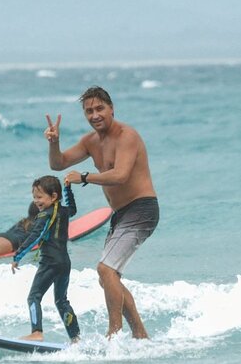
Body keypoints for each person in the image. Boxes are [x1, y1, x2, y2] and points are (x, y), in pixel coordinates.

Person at [44, 86, 159, 339]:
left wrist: (85, 176)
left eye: (99, 109)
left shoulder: (127, 136)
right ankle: (140, 335)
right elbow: (58, 163)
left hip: (142, 208)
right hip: (121, 214)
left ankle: (113, 335)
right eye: (89, 111)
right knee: (109, 277)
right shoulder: (91, 141)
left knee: (105, 271)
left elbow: (120, 175)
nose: (94, 115)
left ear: (111, 108)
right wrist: (55, 143)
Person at [12, 175, 80, 343]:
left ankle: (36, 332)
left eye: (40, 197)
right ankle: (76, 337)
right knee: (61, 301)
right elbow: (73, 208)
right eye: (34, 197)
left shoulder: (44, 216)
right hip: (64, 263)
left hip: (50, 262)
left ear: (53, 196)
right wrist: (68, 189)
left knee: (34, 297)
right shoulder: (63, 212)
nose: (36, 201)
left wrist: (17, 255)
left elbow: (35, 236)